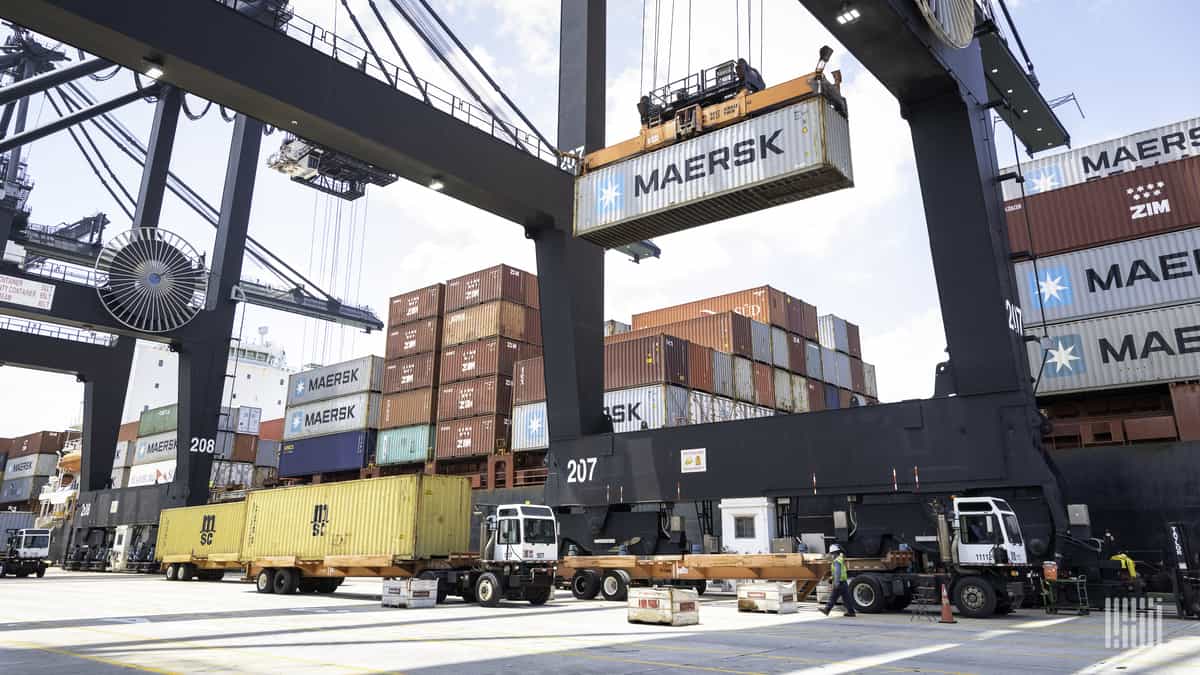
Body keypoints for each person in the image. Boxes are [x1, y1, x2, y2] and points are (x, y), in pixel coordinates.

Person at [820, 544, 856, 617]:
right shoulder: (840, 559)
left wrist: (836, 582)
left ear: (834, 553)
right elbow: (839, 572)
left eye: (831, 554)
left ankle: (827, 610)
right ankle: (851, 612)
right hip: (843, 582)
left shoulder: (836, 561)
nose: (831, 555)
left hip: (839, 582)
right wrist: (831, 578)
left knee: (833, 597)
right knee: (846, 598)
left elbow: (837, 572)